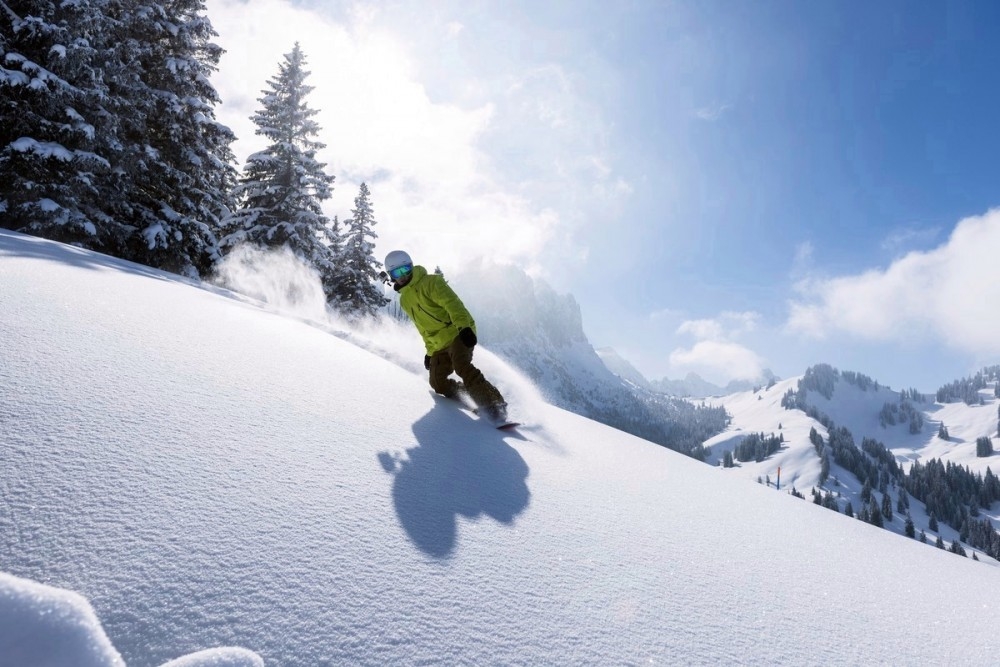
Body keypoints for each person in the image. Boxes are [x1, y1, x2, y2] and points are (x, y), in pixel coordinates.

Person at [384, 250, 508, 423]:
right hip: (439, 343)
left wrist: (464, 327)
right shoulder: (405, 300)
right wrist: (429, 352)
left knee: (461, 365)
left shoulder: (431, 283)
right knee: (437, 382)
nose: (403, 275)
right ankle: (468, 395)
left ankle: (495, 405)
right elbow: (423, 328)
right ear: (391, 276)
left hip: (458, 332)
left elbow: (453, 304)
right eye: (397, 272)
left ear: (411, 266)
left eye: (405, 269)